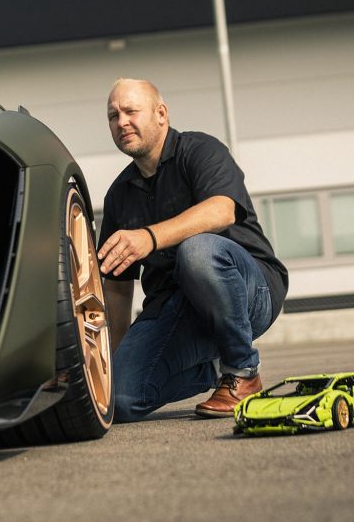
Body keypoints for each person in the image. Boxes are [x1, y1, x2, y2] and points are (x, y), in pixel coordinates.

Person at [97, 79, 288, 421]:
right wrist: (112, 361)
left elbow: (222, 210)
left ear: (161, 114)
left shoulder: (201, 150)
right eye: (113, 115)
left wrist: (149, 237)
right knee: (119, 399)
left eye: (131, 111)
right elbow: (117, 289)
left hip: (248, 291)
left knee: (197, 251)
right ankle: (212, 368)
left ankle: (243, 372)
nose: (121, 121)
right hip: (175, 308)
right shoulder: (118, 196)